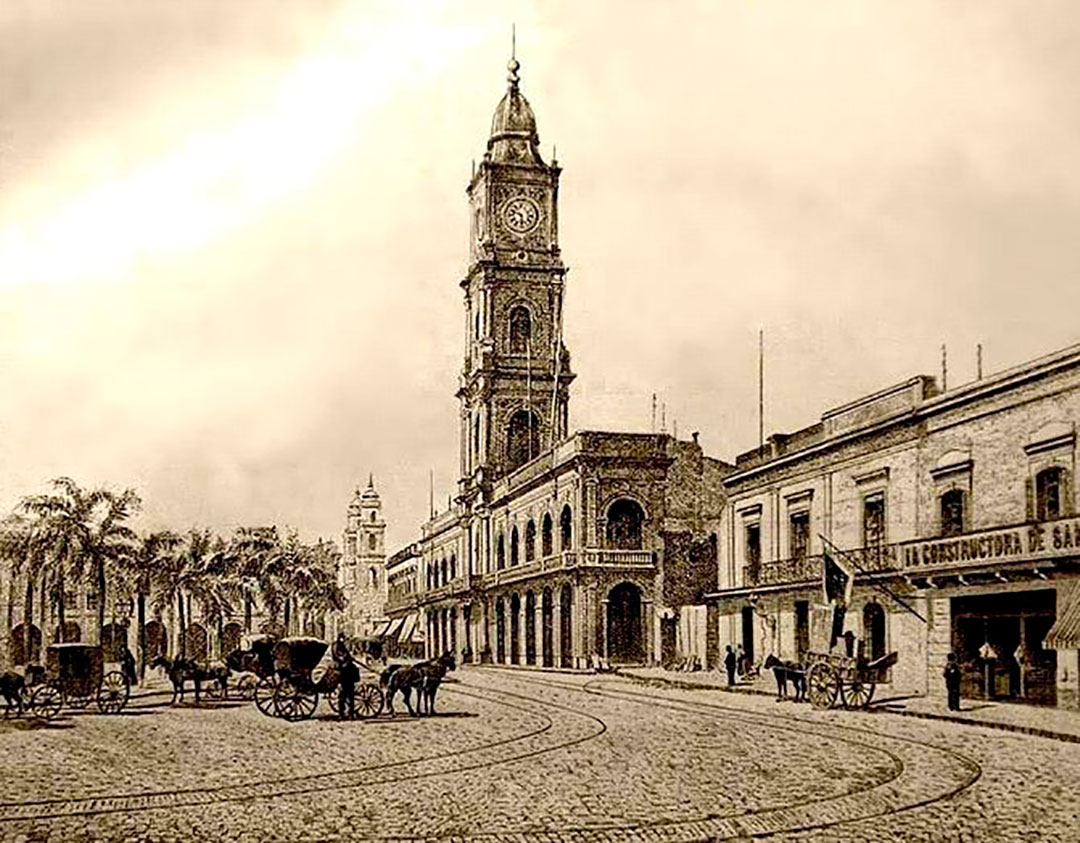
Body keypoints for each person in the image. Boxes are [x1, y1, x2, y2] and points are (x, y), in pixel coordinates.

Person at [332, 632, 357, 720]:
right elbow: (340, 656)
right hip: (344, 672)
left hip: (343, 671)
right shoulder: (338, 646)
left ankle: (343, 713)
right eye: (343, 638)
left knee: (344, 695)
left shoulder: (337, 645)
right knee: (348, 695)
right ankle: (348, 714)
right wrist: (348, 657)